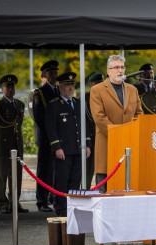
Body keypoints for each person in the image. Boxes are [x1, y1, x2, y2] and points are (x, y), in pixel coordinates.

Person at [90, 55, 143, 193]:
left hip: (129, 145)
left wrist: (131, 133)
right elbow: (99, 117)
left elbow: (139, 114)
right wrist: (118, 134)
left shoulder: (132, 89)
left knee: (126, 185)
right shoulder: (98, 90)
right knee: (104, 189)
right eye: (116, 67)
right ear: (108, 71)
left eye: (122, 67)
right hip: (107, 143)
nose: (120, 70)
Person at [45, 72, 91, 216]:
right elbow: (51, 129)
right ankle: (61, 209)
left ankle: (72, 208)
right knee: (62, 182)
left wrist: (88, 144)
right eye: (67, 85)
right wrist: (57, 147)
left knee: (75, 181)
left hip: (78, 149)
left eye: (72, 85)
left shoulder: (78, 103)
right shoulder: (54, 105)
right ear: (60, 86)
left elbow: (85, 125)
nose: (70, 88)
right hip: (64, 151)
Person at [0, 74, 29, 214]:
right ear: (2, 89)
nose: (10, 89)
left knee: (17, 176)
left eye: (12, 86)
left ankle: (15, 202)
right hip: (3, 144)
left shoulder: (19, 104)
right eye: (7, 87)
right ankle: (2, 204)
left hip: (17, 144)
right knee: (2, 175)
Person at [32, 60, 59, 212]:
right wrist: (52, 133)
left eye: (55, 72)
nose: (54, 74)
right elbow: (39, 117)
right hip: (46, 137)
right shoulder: (40, 93)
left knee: (56, 168)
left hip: (57, 137)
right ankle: (41, 200)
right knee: (44, 168)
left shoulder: (58, 91)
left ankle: (53, 196)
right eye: (50, 72)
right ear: (44, 75)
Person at [85, 73, 104, 189]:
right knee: (88, 168)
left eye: (102, 83)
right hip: (90, 137)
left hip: (102, 136)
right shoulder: (86, 98)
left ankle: (101, 189)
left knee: (102, 167)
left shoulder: (106, 96)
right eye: (98, 83)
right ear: (92, 85)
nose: (101, 85)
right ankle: (86, 190)